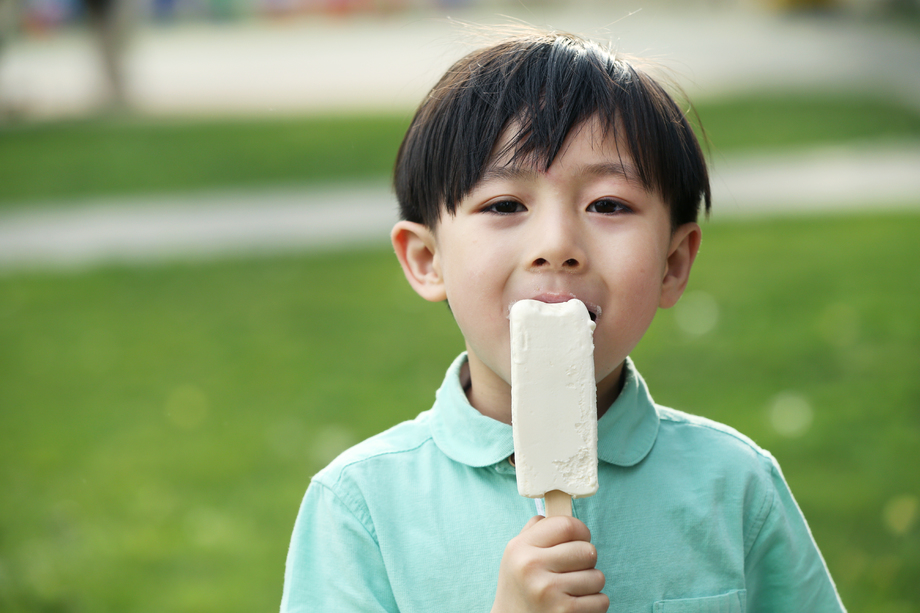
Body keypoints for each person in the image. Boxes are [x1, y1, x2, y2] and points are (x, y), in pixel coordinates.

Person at [280, 30, 846, 613]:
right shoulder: (361, 506)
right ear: (427, 261)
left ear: (673, 264)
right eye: (504, 205)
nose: (556, 245)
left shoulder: (735, 486)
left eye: (608, 204)